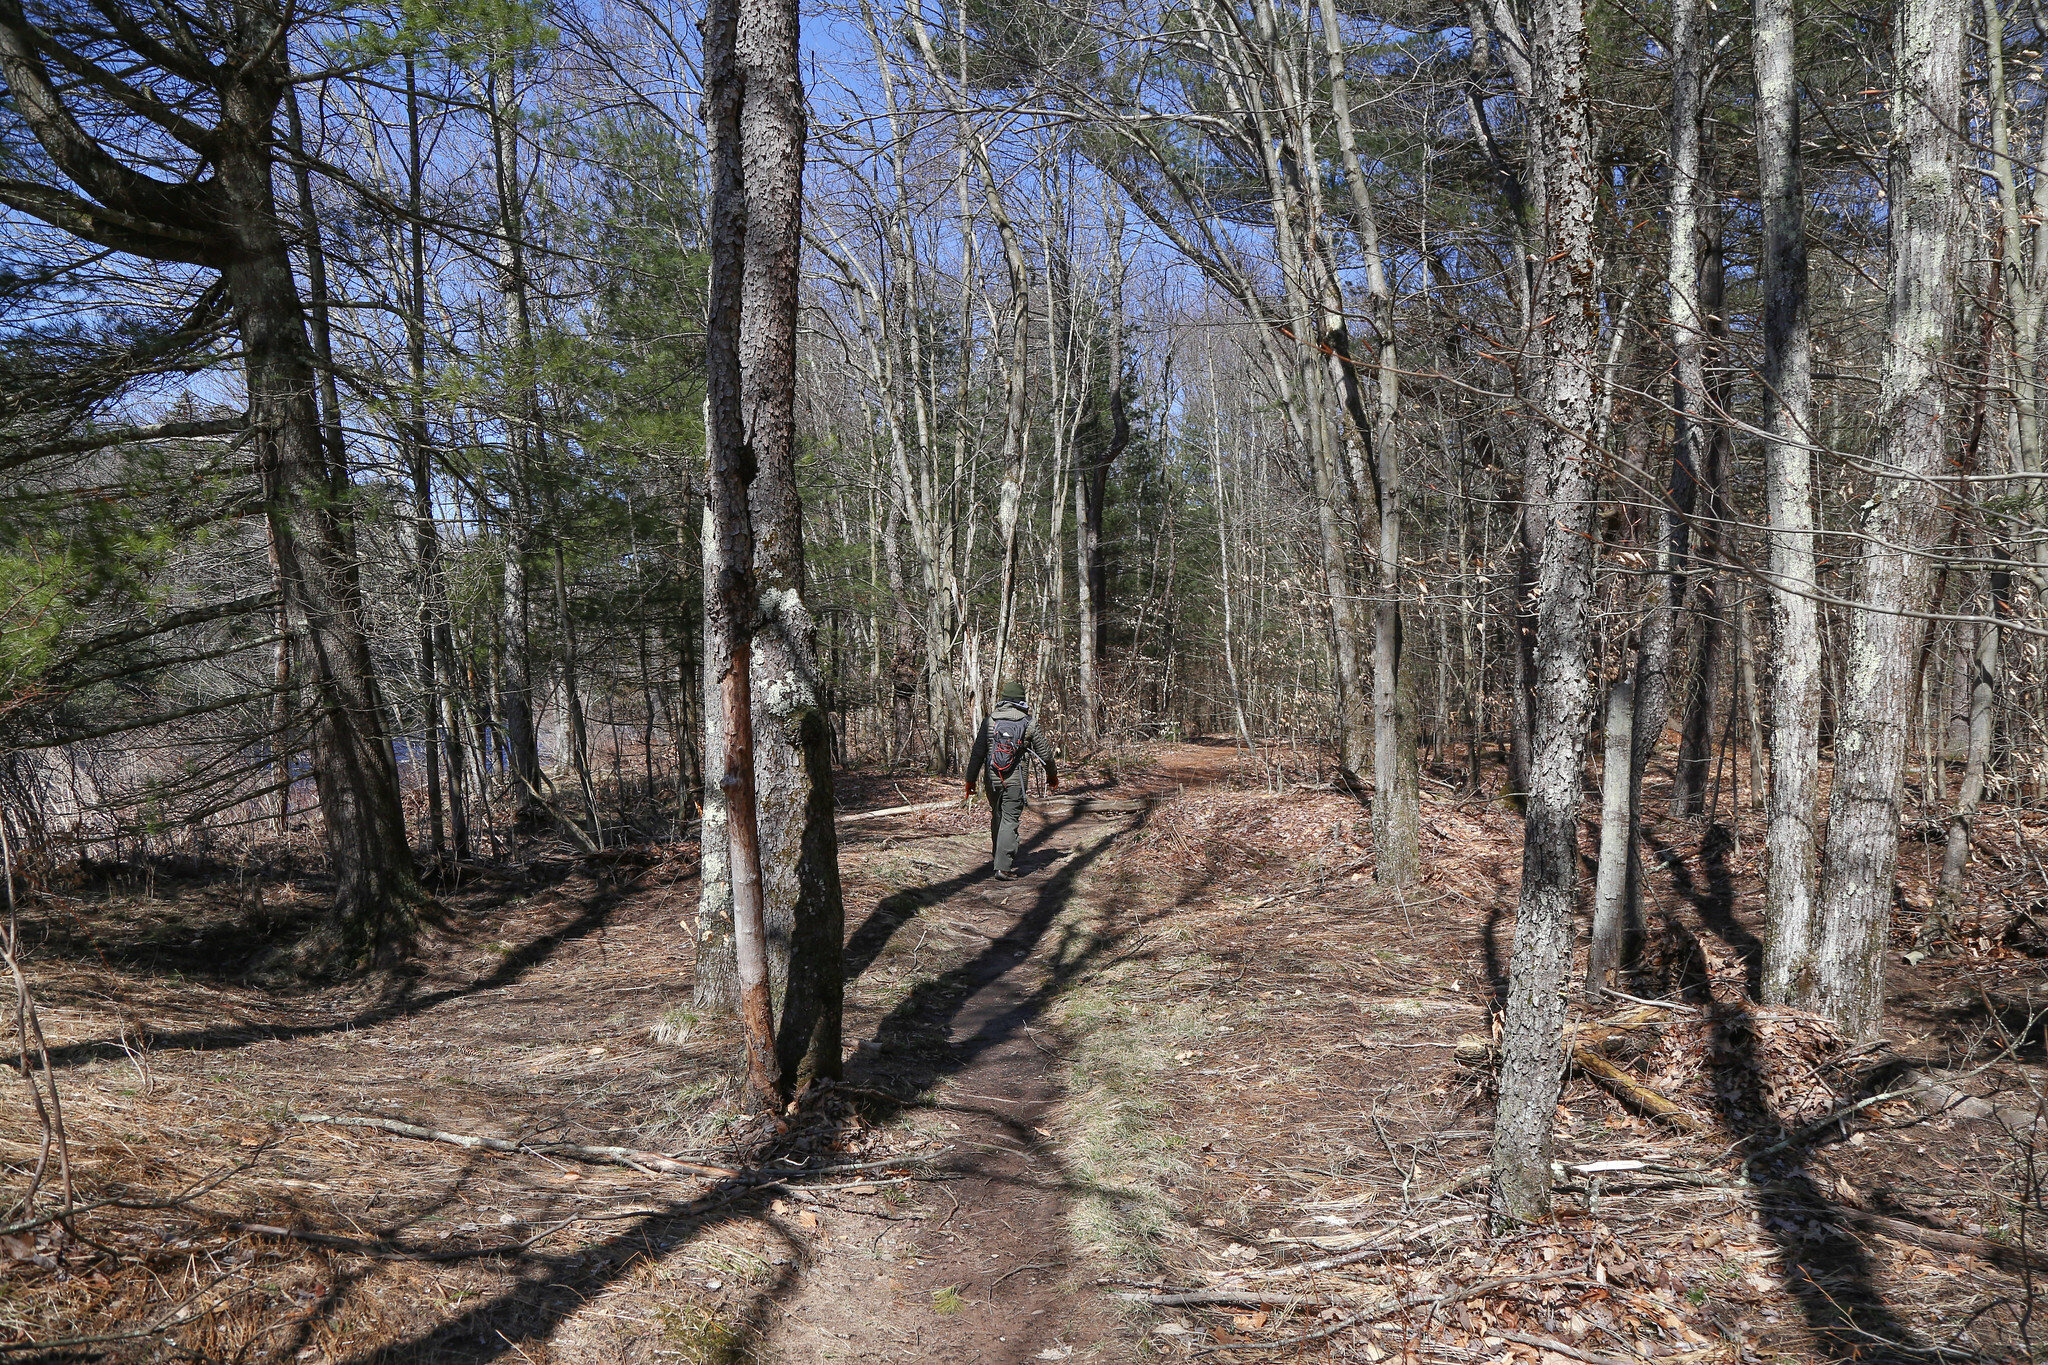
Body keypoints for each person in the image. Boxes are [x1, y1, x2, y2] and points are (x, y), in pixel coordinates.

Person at [964, 679, 1059, 880]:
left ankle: (998, 858)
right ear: (1021, 700)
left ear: (1004, 699)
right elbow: (1046, 755)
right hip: (1015, 780)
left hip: (992, 779)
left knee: (997, 815)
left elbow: (977, 754)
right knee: (1009, 819)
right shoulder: (1029, 723)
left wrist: (970, 781)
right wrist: (1052, 776)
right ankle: (1003, 867)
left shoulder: (990, 721)